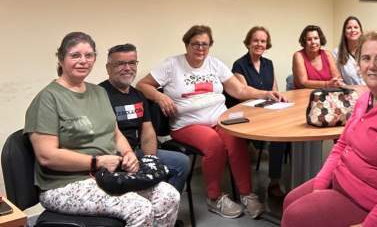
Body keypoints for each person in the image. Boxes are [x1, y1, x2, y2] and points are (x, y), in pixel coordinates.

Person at [24, 32, 180, 227]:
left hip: (108, 176)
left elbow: (114, 133)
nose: (83, 61)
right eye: (75, 55)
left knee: (168, 195)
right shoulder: (48, 99)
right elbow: (46, 156)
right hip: (64, 185)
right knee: (140, 208)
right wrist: (96, 162)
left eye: (88, 55)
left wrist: (128, 153)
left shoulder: (99, 92)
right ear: (61, 59)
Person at [136, 24, 285, 220]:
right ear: (187, 44)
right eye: (195, 44)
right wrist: (160, 96)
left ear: (210, 46)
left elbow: (240, 90)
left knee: (236, 139)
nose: (200, 48)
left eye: (205, 44)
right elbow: (142, 84)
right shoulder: (172, 64)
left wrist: (265, 93)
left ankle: (247, 194)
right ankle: (214, 198)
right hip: (187, 124)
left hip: (219, 120)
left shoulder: (215, 64)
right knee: (214, 143)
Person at [282, 31, 377, 227]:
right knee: (290, 200)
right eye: (366, 58)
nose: (371, 65)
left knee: (294, 216)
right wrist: (319, 187)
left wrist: (370, 225)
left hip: (367, 200)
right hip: (342, 178)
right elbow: (342, 145)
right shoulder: (366, 97)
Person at [99, 43, 191, 193]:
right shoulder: (99, 94)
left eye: (132, 63)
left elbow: (147, 132)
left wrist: (150, 159)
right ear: (108, 68)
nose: (127, 68)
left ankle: (164, 205)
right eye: (120, 64)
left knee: (181, 162)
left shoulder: (138, 95)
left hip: (137, 152)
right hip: (113, 156)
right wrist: (126, 158)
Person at [229, 26, 287, 198]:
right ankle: (245, 187)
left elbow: (274, 90)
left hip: (268, 112)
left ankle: (274, 181)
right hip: (248, 114)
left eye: (263, 41)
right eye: (255, 40)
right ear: (248, 43)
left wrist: (279, 99)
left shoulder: (269, 64)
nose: (259, 44)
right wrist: (267, 97)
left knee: (280, 135)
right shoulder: (239, 65)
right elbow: (243, 95)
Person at [292, 24, 342, 88]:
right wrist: (327, 84)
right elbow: (303, 82)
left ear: (320, 40)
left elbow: (337, 77)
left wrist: (337, 82)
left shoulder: (327, 54)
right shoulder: (298, 56)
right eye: (309, 39)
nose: (313, 42)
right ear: (304, 42)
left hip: (327, 92)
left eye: (316, 38)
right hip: (304, 93)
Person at [333, 16, 365, 85]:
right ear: (344, 33)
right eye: (349, 28)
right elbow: (339, 80)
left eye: (356, 27)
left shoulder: (369, 50)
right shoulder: (337, 53)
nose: (353, 30)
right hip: (349, 90)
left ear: (361, 32)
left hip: (372, 90)